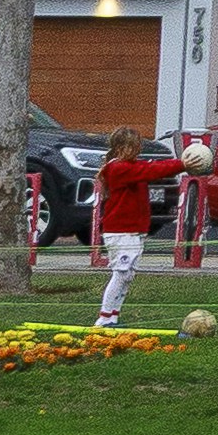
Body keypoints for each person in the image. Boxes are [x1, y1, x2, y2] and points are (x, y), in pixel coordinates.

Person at [89, 140, 169, 328]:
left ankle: (113, 317)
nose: (137, 151)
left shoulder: (131, 166)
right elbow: (151, 171)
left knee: (128, 275)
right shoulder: (118, 168)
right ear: (120, 147)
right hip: (120, 231)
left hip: (133, 231)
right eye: (132, 146)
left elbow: (152, 168)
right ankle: (103, 318)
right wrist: (184, 164)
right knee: (121, 273)